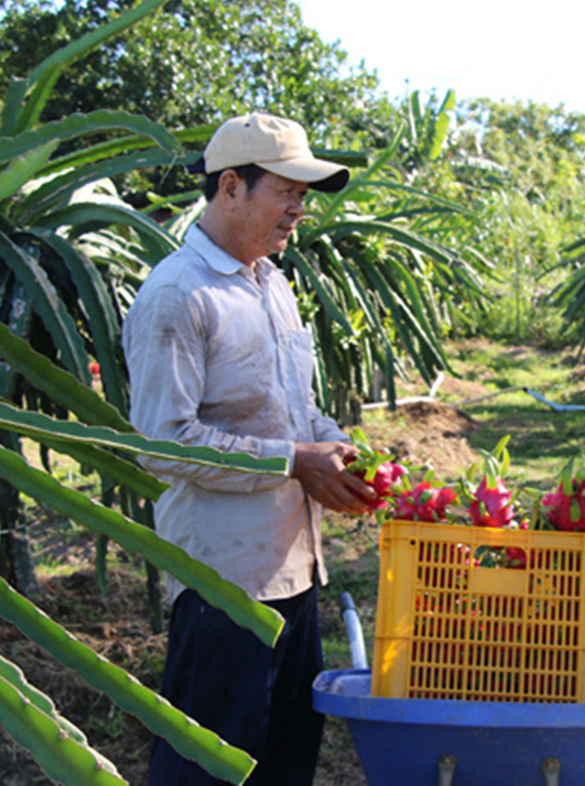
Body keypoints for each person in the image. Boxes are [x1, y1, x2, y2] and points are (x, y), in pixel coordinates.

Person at [123, 113, 376, 785]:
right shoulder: (178, 295)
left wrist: (334, 444)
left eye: (303, 195)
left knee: (286, 756)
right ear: (231, 187)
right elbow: (163, 442)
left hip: (294, 568)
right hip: (223, 581)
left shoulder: (273, 284)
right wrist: (293, 460)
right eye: (286, 191)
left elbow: (294, 407)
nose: (298, 209)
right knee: (207, 763)